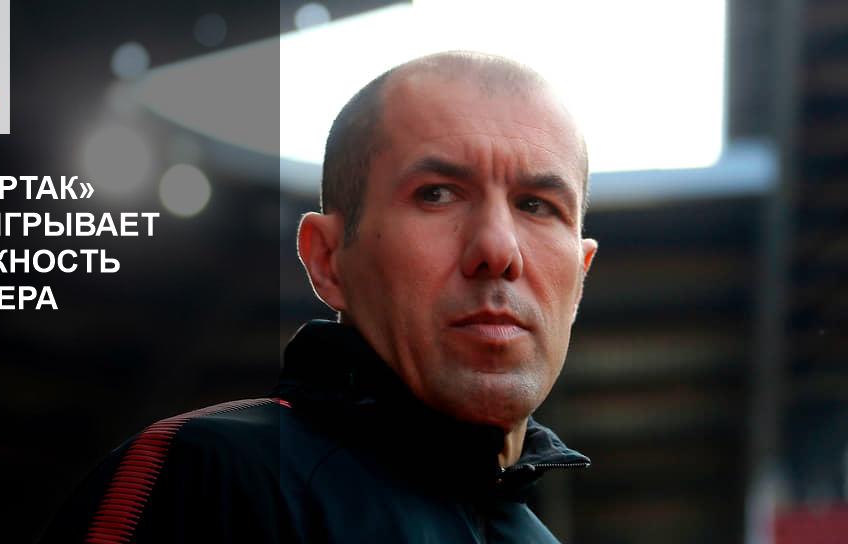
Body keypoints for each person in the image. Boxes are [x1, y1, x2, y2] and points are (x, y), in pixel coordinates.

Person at [39, 50, 597, 543]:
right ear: (327, 259)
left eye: (537, 205)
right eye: (437, 194)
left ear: (580, 277)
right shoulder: (210, 477)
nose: (498, 249)